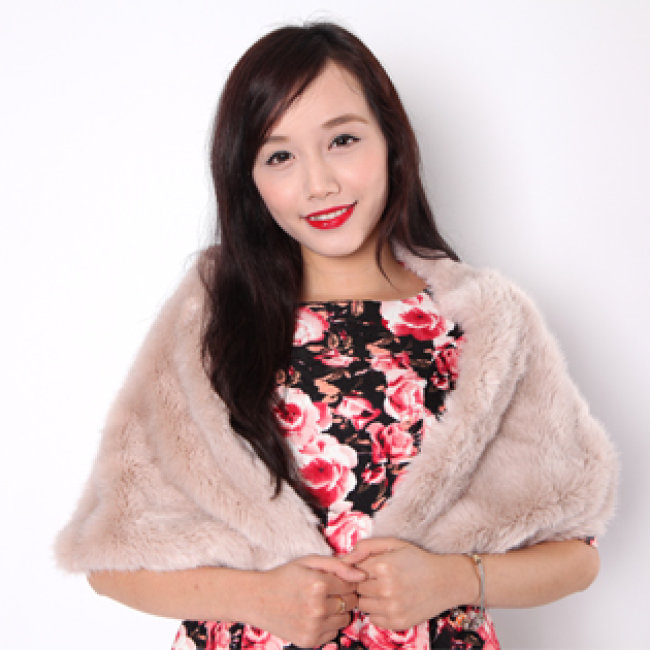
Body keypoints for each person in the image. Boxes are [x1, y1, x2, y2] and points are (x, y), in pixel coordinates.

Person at [55, 22, 617, 650]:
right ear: (248, 178)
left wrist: (454, 579)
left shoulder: (485, 325)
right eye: (280, 156)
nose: (319, 183)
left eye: (343, 140)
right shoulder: (209, 322)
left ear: (391, 139)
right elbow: (110, 562)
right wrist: (257, 598)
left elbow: (577, 554)